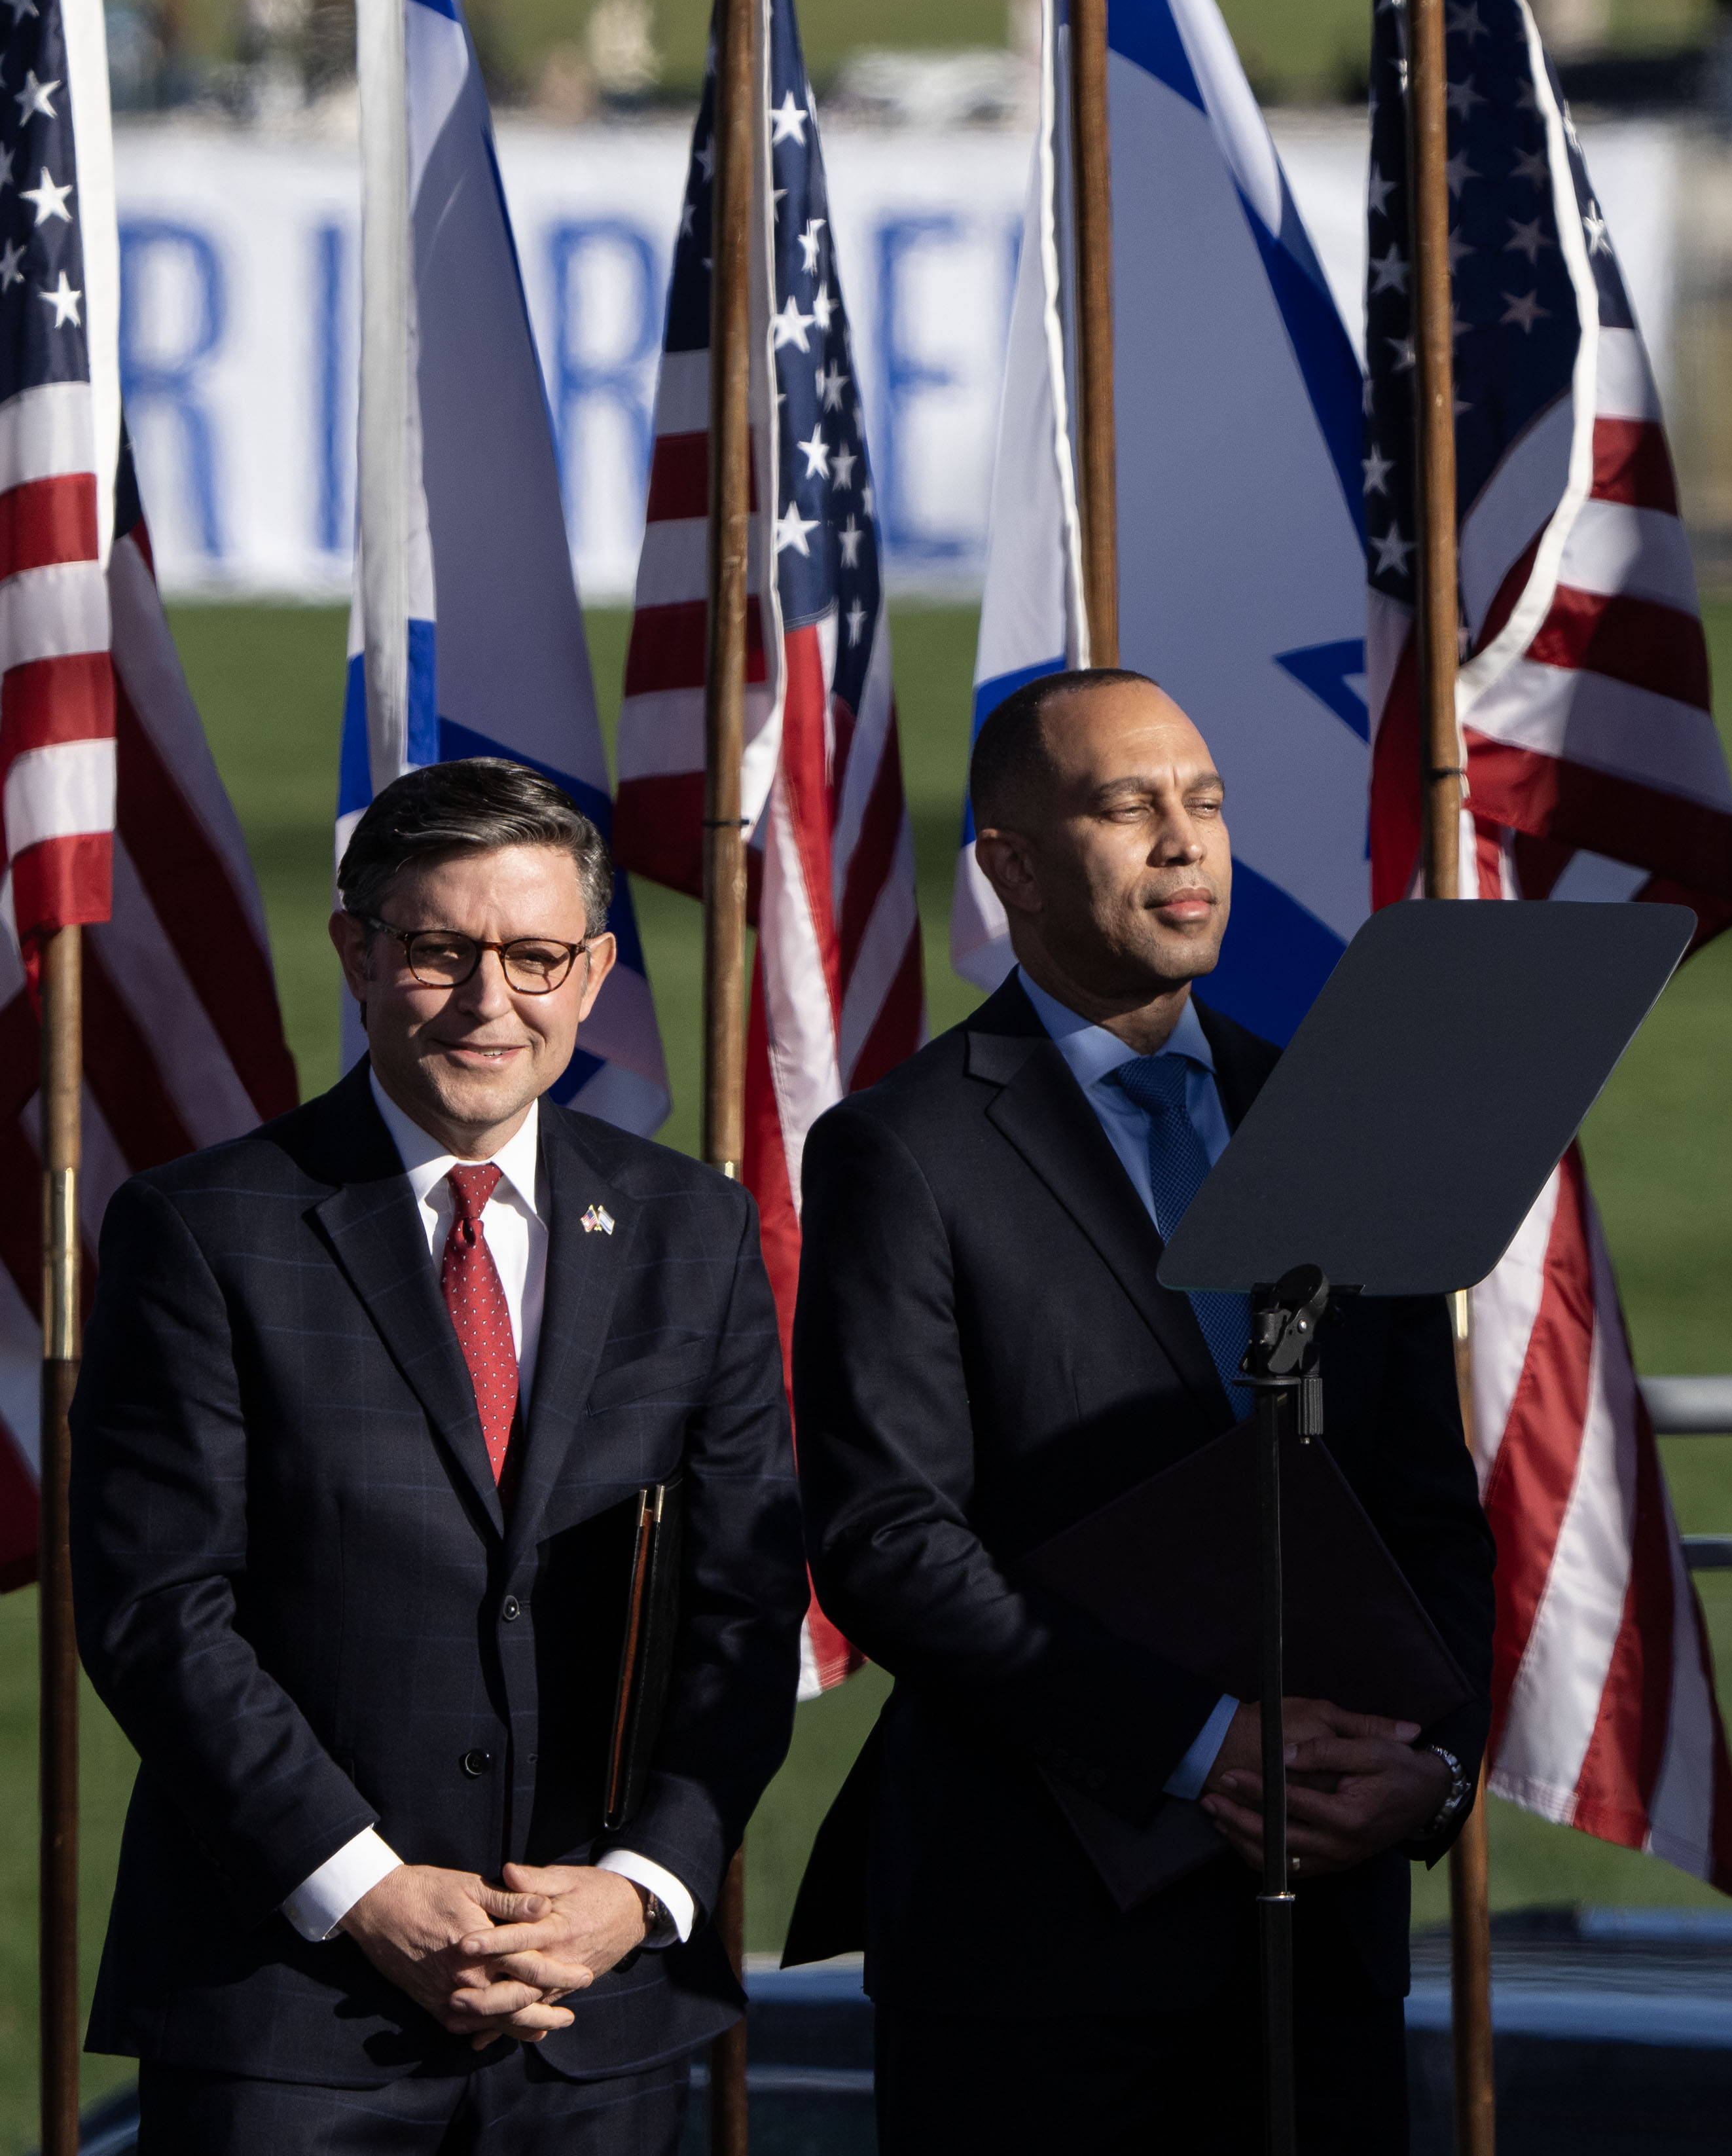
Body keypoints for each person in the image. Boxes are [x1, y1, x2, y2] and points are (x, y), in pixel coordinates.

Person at [787, 668, 1495, 2154]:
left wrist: (1428, 1767)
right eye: (1130, 807)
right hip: (1039, 1946)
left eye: (1207, 803)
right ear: (1013, 866)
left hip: (1324, 1953)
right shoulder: (903, 1151)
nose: (1187, 844)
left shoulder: (1334, 1115)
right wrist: (1197, 1741)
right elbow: (887, 1534)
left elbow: (1426, 1500)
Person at [73, 758, 806, 2152]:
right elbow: (159, 1609)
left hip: (601, 2011)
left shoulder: (691, 1229)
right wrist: (367, 1888)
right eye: (437, 949)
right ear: (356, 950)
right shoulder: (202, 1229)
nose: (489, 1002)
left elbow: (743, 1600)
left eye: (533, 956)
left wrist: (642, 1884)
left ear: (591, 973)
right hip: (289, 2016)